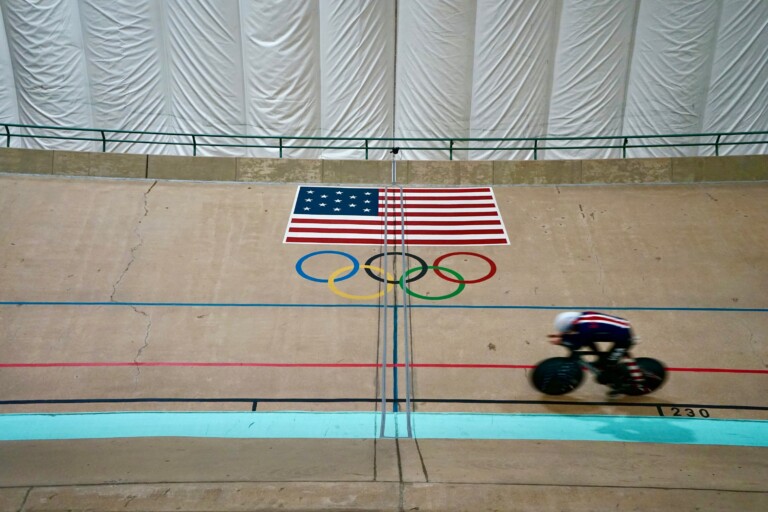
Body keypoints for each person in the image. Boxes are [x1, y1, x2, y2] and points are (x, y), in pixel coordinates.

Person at [548, 311, 644, 397]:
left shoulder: (585, 329)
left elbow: (577, 345)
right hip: (622, 327)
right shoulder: (583, 316)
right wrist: (562, 335)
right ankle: (603, 360)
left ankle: (637, 384)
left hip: (624, 338)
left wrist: (562, 340)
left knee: (609, 363)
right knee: (590, 342)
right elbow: (580, 333)